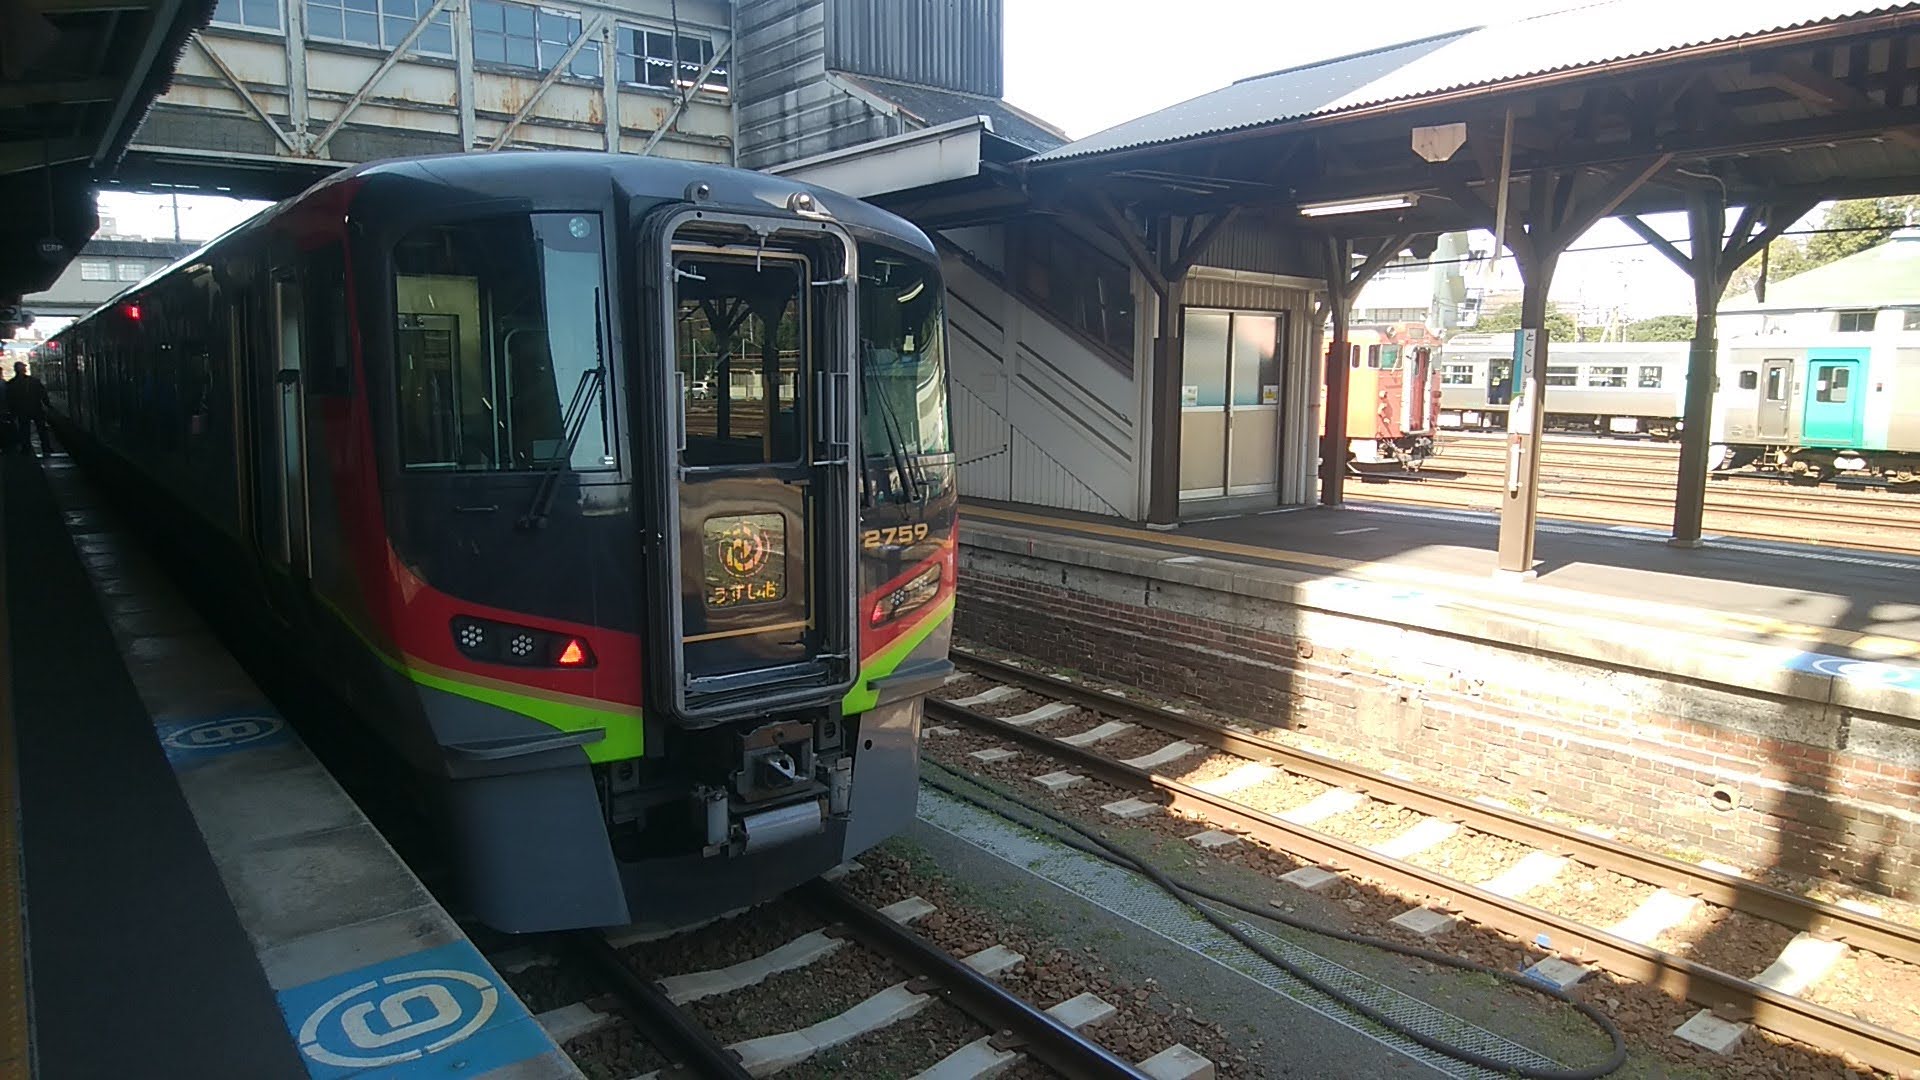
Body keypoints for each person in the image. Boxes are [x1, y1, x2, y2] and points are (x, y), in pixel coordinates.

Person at [6, 361, 51, 458]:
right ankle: (46, 447)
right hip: (36, 409)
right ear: (24, 370)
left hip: (22, 411)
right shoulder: (34, 381)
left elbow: (9, 399)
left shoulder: (11, 383)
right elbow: (43, 394)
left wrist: (12, 412)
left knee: (24, 430)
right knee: (42, 429)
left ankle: (26, 449)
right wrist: (47, 405)